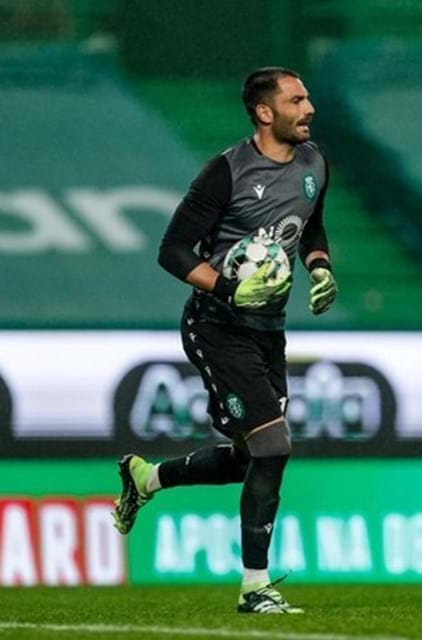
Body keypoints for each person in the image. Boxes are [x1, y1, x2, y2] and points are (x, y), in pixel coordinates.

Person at [111, 67, 337, 614]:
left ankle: (148, 477)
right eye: (296, 100)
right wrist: (227, 287)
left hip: (269, 329)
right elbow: (173, 249)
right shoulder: (227, 172)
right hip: (216, 326)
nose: (308, 108)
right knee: (275, 446)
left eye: (307, 98)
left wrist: (320, 266)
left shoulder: (314, 164)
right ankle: (254, 587)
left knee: (249, 458)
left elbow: (310, 225)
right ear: (265, 113)